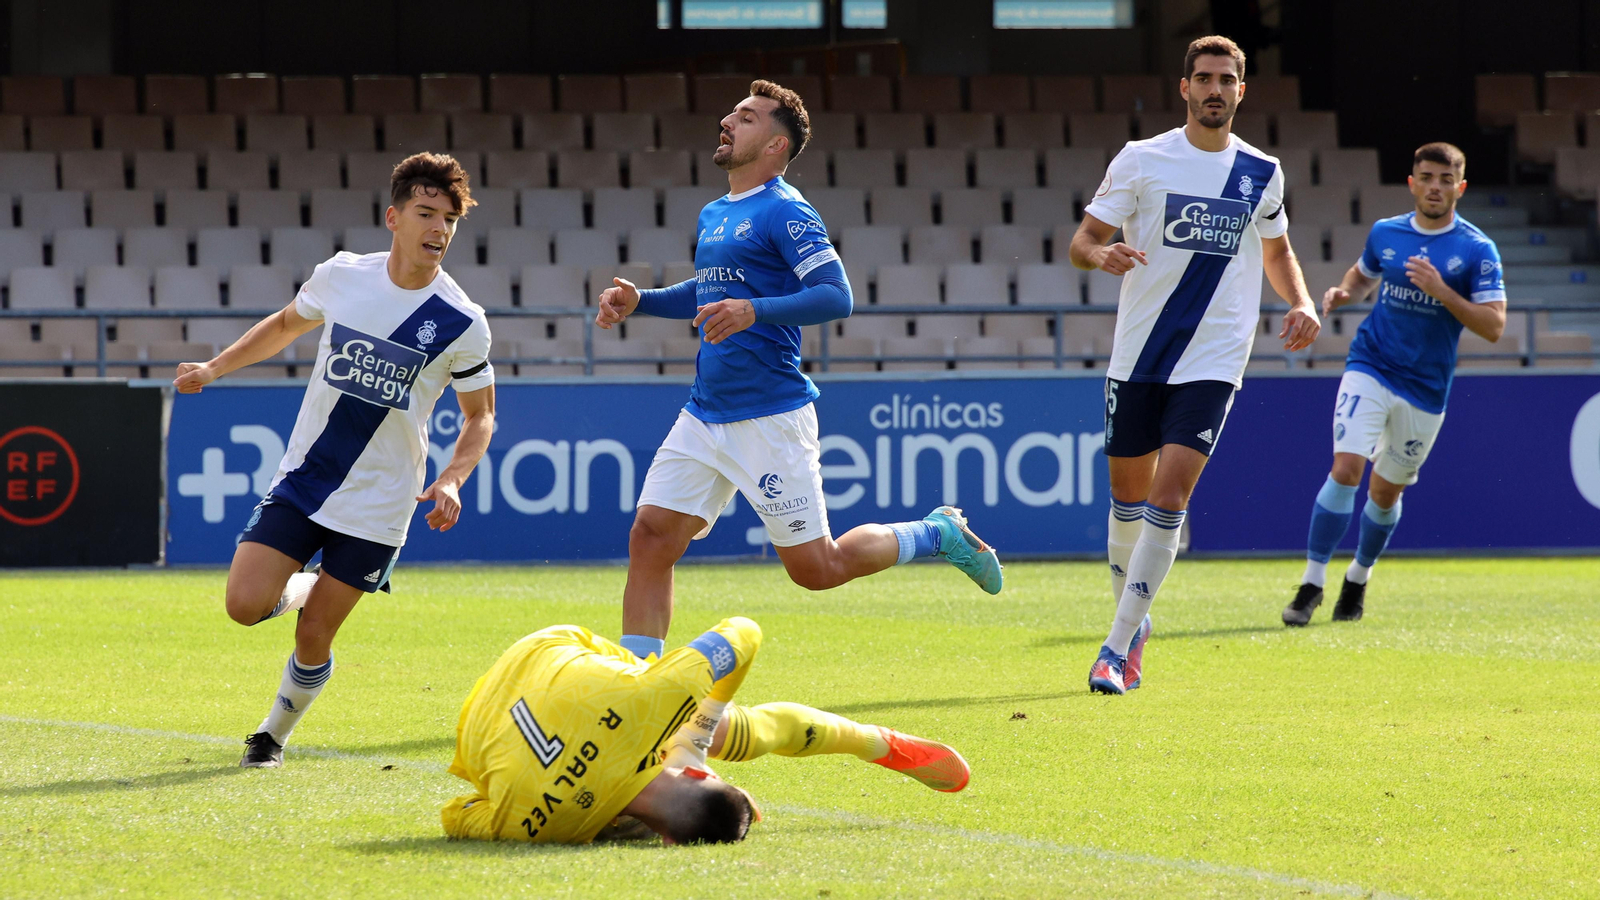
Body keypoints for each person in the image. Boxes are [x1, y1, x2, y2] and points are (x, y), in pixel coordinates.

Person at [594, 79, 1002, 663]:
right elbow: (712, 294)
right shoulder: (716, 212)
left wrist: (753, 310)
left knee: (817, 569)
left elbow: (837, 297)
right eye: (733, 111)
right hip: (705, 411)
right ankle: (637, 687)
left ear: (775, 147)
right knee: (651, 537)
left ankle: (936, 534)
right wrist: (645, 301)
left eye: (748, 117)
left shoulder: (788, 211)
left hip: (770, 417)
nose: (730, 121)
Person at [172, 153, 497, 767]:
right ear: (393, 218)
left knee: (315, 633)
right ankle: (300, 586)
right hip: (307, 477)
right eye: (427, 213)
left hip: (383, 504)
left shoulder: (462, 321)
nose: (440, 230)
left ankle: (271, 736)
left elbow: (481, 414)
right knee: (243, 606)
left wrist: (453, 478)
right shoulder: (344, 275)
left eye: (450, 219)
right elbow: (284, 325)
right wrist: (215, 367)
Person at [1067, 35, 1320, 694]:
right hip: (1139, 355)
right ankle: (1136, 621)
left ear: (1242, 90)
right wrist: (1103, 256)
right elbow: (1081, 242)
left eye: (1227, 79)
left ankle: (1114, 648)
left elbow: (1276, 250)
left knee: (1170, 494)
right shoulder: (1143, 159)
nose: (1215, 89)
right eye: (1204, 78)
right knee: (1127, 503)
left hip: (1213, 359)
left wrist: (1301, 300)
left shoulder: (1261, 171)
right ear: (1184, 88)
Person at [441, 616, 969, 845]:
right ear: (669, 840)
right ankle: (872, 742)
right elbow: (457, 814)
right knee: (717, 732)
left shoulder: (658, 703)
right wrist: (586, 819)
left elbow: (744, 632)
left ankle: (875, 742)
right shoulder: (542, 829)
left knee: (709, 730)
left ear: (695, 779)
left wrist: (698, 726)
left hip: (539, 650)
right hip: (472, 725)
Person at [1283, 143, 1505, 625]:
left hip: (1425, 387)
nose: (1435, 187)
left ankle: (1357, 580)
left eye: (1446, 180)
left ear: (1460, 188)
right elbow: (1364, 277)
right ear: (1412, 182)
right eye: (1427, 177)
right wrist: (1345, 293)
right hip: (1372, 363)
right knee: (1346, 469)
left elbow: (1493, 326)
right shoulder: (1387, 232)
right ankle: (1311, 583)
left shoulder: (1476, 250)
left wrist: (1442, 291)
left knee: (1385, 494)